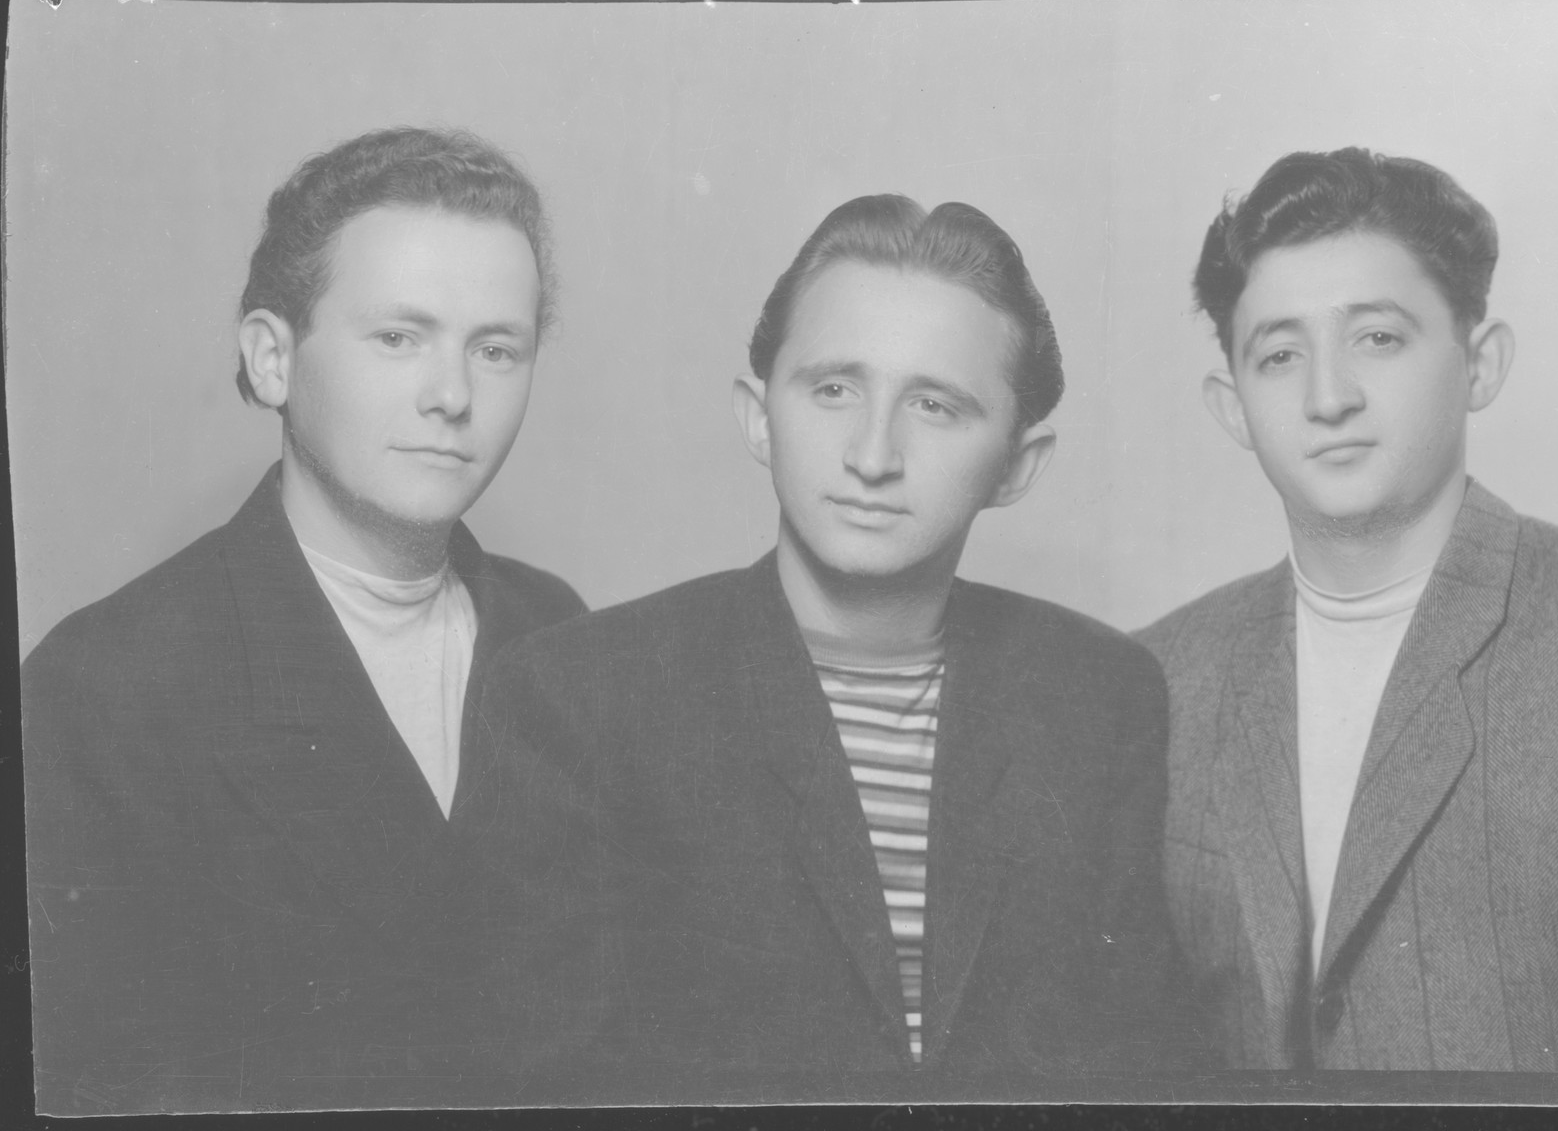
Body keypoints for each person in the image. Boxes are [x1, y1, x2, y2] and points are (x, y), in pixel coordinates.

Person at [482, 195, 1198, 1103]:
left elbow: (1144, 1069)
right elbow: (543, 1095)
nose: (872, 452)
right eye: (832, 389)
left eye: (936, 406)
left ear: (1018, 465)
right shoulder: (578, 698)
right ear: (758, 415)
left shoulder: (1099, 696)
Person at [22, 126, 585, 1114]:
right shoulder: (105, 689)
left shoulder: (559, 637)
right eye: (398, 338)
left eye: (497, 349)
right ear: (272, 359)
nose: (451, 395)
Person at [1136, 148, 1558, 1091]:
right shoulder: (1160, 674)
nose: (1328, 397)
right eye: (1281, 355)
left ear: (1480, 365)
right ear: (1233, 408)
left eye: (1379, 339)